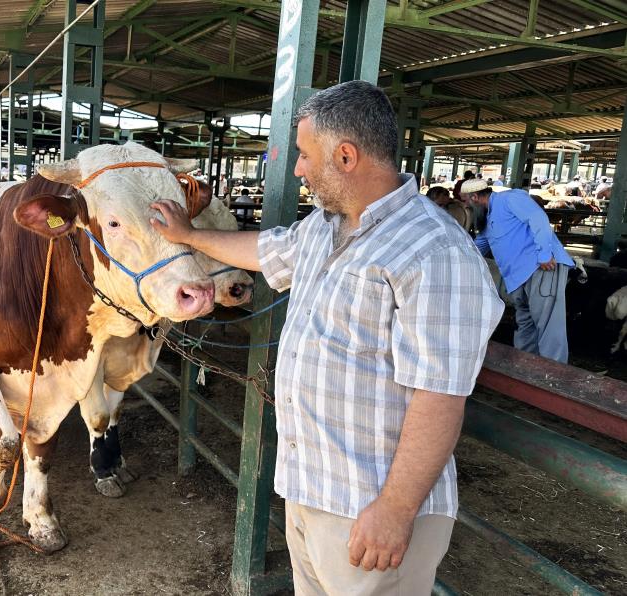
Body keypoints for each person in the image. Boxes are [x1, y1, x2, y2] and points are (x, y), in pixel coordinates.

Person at [151, 80, 503, 595]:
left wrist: (395, 510)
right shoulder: (324, 227)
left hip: (370, 507)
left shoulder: (435, 252)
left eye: (303, 155)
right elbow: (266, 249)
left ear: (345, 156)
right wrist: (189, 237)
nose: (296, 169)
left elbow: (439, 396)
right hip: (312, 489)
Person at [463, 178, 574, 362]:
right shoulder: (488, 218)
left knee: (548, 325)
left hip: (542, 267)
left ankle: (552, 377)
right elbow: (478, 246)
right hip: (517, 278)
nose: (464, 206)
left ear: (474, 197)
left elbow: (538, 218)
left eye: (465, 201)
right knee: (525, 324)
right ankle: (526, 369)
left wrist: (544, 254)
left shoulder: (509, 199)